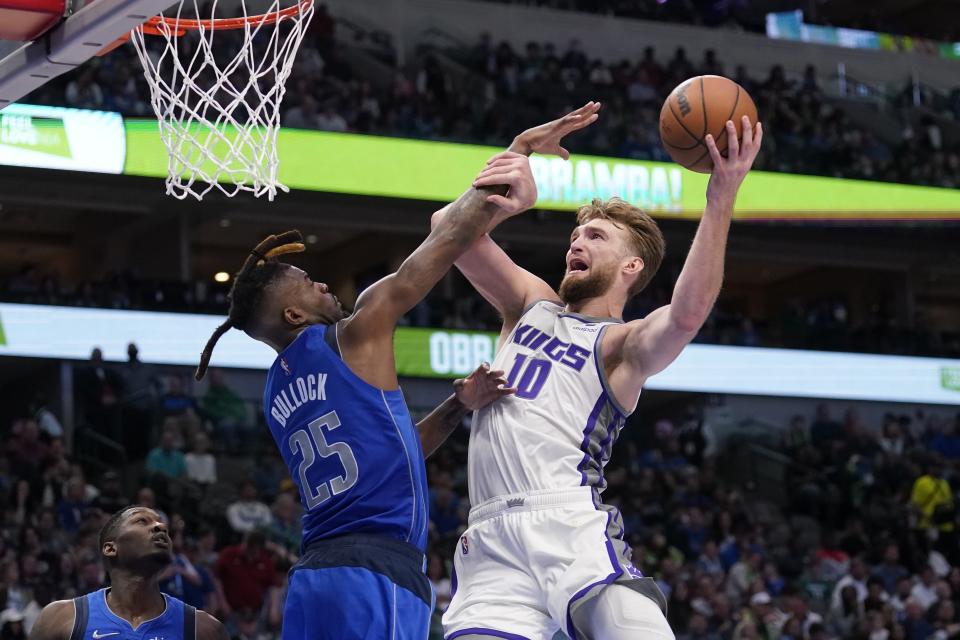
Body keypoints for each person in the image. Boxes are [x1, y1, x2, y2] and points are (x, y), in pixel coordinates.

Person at [191, 106, 597, 639]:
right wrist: (516, 152)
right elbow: (444, 243)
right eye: (308, 283)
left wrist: (456, 407)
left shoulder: (275, 392)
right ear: (294, 315)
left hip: (314, 576)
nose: (321, 286)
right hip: (374, 571)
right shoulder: (353, 332)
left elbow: (386, 454)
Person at [436, 112, 762, 639]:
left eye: (596, 236)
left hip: (568, 525)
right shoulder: (529, 303)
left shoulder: (622, 346)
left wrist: (721, 195)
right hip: (489, 539)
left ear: (631, 267)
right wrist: (514, 158)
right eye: (575, 234)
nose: (576, 243)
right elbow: (446, 233)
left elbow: (686, 315)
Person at [28, 505, 227, 640]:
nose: (160, 527)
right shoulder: (60, 619)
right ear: (110, 548)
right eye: (142, 521)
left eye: (161, 523)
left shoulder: (203, 628)